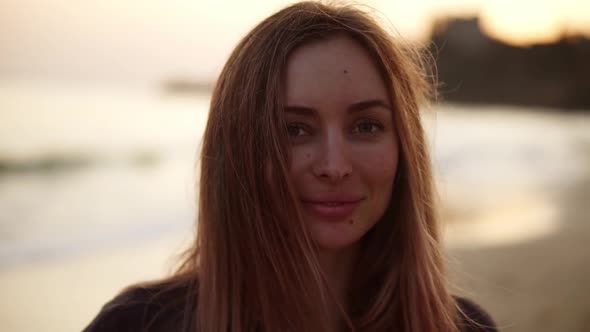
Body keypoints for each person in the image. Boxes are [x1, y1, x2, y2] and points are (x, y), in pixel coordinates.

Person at [84, 1, 497, 331]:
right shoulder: (136, 325)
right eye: (295, 130)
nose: (334, 166)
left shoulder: (463, 327)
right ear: (238, 150)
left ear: (405, 145)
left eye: (366, 125)